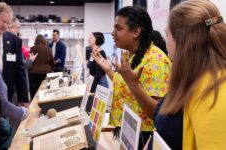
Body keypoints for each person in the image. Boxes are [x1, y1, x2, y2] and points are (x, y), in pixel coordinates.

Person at [116, 1, 226, 149]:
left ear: (183, 41)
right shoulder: (192, 78)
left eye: (167, 35)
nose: (164, 41)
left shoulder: (213, 92)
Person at [91, 6, 171, 149]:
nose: (113, 33)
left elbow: (158, 112)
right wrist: (109, 71)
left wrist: (132, 83)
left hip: (144, 136)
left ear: (136, 31)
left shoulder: (155, 60)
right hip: (130, 131)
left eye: (119, 28)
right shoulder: (131, 54)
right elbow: (128, 87)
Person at [0, 2, 29, 107]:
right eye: (3, 21)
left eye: (8, 23)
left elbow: (19, 70)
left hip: (6, 95)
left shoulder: (14, 41)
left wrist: (23, 98)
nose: (5, 26)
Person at [29, 34, 54, 99]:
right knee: (45, 93)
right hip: (46, 74)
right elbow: (52, 62)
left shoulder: (32, 48)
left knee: (34, 94)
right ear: (44, 41)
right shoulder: (49, 49)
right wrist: (51, 70)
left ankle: (34, 107)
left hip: (34, 73)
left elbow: (30, 61)